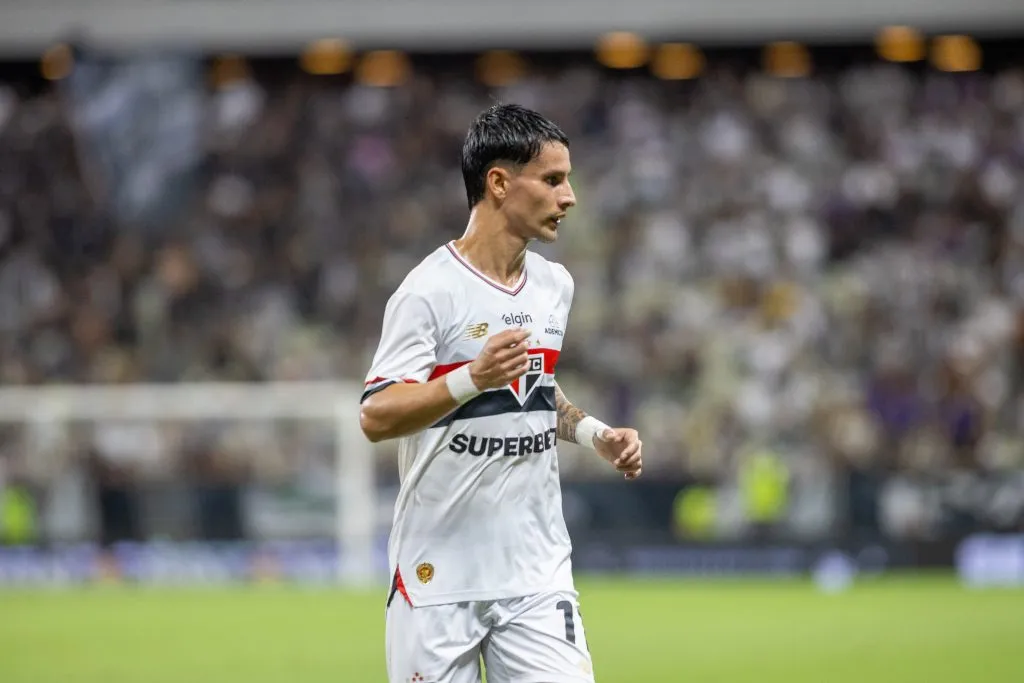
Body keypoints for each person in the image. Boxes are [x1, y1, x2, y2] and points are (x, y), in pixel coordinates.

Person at [360, 103, 644, 683]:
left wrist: (595, 435)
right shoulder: (429, 292)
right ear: (498, 183)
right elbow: (376, 415)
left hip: (536, 571)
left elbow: (535, 391)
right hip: (439, 577)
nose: (569, 197)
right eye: (553, 180)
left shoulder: (554, 285)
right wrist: (471, 377)